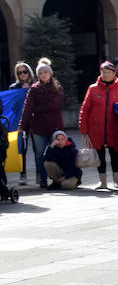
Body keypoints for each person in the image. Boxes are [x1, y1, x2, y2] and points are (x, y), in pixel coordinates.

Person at [78, 61, 118, 190]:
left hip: (114, 129)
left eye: (108, 72)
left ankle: (117, 180)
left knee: (115, 154)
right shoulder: (93, 88)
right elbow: (85, 109)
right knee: (99, 156)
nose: (105, 75)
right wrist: (84, 130)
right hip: (96, 129)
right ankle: (103, 181)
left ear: (114, 73)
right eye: (103, 72)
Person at [20, 63, 66, 191]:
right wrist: (22, 125)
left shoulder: (58, 88)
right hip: (38, 127)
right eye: (40, 73)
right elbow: (27, 108)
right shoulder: (34, 89)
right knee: (40, 155)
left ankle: (56, 178)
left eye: (45, 72)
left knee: (56, 152)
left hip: (55, 126)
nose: (43, 75)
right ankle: (43, 179)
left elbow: (56, 105)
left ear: (50, 73)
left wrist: (38, 108)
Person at [9, 62, 33, 186]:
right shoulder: (14, 87)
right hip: (21, 121)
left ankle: (41, 175)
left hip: (35, 120)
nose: (23, 74)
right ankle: (22, 174)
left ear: (29, 72)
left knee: (38, 148)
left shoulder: (35, 84)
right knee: (22, 148)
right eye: (20, 72)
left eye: (25, 71)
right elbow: (12, 106)